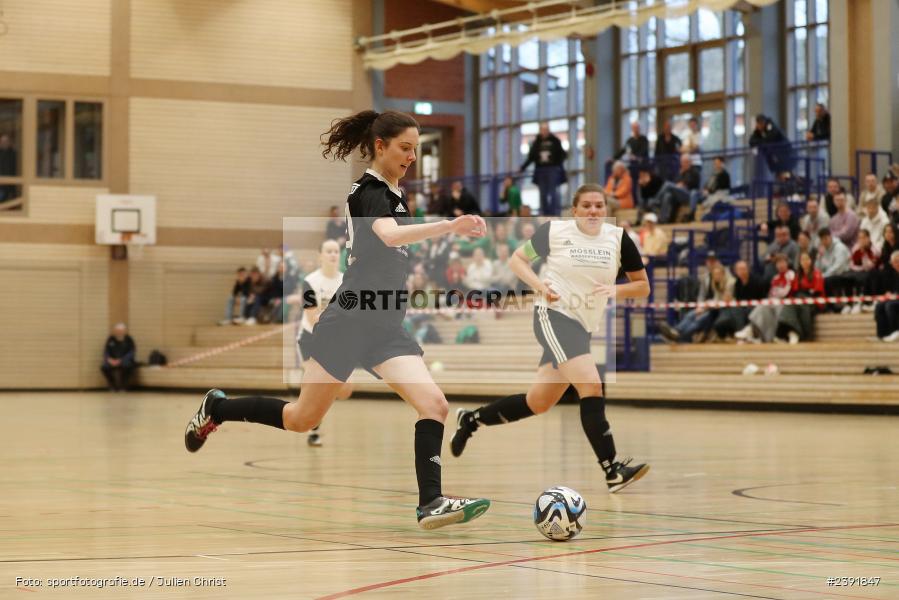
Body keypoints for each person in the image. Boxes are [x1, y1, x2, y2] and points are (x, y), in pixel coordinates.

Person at [183, 110, 491, 530]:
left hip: (385, 327)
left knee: (434, 405)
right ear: (380, 146)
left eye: (416, 149)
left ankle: (431, 502)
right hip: (350, 320)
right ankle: (217, 407)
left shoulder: (395, 194)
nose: (412, 156)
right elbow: (388, 235)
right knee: (301, 419)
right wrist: (449, 226)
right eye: (404, 147)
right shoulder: (368, 192)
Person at [449, 184, 651, 493]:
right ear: (575, 210)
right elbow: (517, 259)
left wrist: (616, 290)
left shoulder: (618, 239)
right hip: (553, 315)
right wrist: (539, 286)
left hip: (582, 326)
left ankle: (471, 419)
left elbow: (642, 286)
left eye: (599, 206)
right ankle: (613, 471)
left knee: (539, 402)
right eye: (586, 206)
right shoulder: (555, 232)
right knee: (591, 384)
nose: (594, 211)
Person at [294, 239, 351, 447]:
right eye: (328, 251)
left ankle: (312, 415)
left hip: (337, 340)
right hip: (311, 339)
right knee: (315, 386)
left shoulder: (347, 281)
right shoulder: (309, 281)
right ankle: (312, 427)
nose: (333, 255)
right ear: (320, 256)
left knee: (344, 391)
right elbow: (311, 318)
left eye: (336, 251)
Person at [658, 263, 734, 343]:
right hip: (714, 309)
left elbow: (725, 301)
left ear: (723, 273)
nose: (716, 276)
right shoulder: (715, 283)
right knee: (692, 314)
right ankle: (675, 331)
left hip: (724, 311)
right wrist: (703, 306)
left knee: (700, 319)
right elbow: (716, 299)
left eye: (718, 274)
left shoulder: (730, 282)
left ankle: (677, 336)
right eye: (714, 274)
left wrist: (709, 304)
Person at [736, 255, 796, 343]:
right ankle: (751, 330)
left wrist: (775, 296)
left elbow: (785, 291)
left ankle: (753, 332)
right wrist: (772, 298)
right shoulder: (775, 278)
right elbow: (771, 293)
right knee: (762, 306)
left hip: (787, 303)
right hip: (775, 302)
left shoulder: (791, 274)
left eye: (783, 262)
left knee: (770, 307)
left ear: (787, 263)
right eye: (778, 263)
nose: (780, 265)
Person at [520, 122, 568, 216]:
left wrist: (557, 163)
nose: (544, 132)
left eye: (546, 129)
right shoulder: (536, 142)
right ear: (540, 131)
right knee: (543, 194)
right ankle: (545, 213)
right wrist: (523, 168)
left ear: (548, 130)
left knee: (553, 193)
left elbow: (562, 154)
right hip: (541, 171)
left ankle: (554, 212)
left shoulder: (555, 141)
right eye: (542, 130)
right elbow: (531, 156)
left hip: (553, 170)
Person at [712, 260, 767, 340]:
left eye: (744, 269)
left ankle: (741, 334)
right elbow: (737, 299)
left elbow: (763, 299)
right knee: (721, 320)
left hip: (755, 308)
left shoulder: (758, 281)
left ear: (748, 269)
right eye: (739, 269)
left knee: (736, 311)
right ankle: (727, 333)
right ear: (736, 271)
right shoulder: (737, 283)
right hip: (740, 308)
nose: (742, 271)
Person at [777, 251, 824, 344]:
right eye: (802, 259)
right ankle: (791, 332)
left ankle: (803, 335)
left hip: (814, 302)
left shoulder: (817, 273)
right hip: (800, 300)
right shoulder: (798, 275)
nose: (805, 261)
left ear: (811, 261)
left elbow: (816, 291)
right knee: (789, 304)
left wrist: (804, 296)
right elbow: (794, 291)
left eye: (807, 259)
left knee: (802, 306)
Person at [101, 323, 136, 391]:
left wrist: (121, 360)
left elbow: (131, 353)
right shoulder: (111, 339)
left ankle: (123, 385)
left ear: (124, 331)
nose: (119, 332)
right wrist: (109, 359)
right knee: (104, 367)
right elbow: (106, 351)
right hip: (112, 360)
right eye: (117, 330)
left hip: (124, 360)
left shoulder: (129, 340)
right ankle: (112, 384)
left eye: (120, 331)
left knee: (127, 366)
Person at [873, 251, 899, 342]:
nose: (895, 265)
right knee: (880, 305)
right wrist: (890, 294)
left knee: (890, 306)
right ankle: (882, 335)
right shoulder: (894, 274)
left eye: (897, 261)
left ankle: (895, 331)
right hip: (896, 298)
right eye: (893, 263)